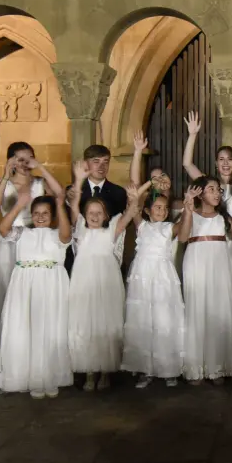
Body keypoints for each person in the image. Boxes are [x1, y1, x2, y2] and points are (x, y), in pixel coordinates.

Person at [0, 168, 73, 399]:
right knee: (26, 326)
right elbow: (2, 230)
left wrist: (60, 205)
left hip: (50, 284)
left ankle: (49, 376)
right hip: (25, 285)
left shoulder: (56, 236)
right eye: (36, 212)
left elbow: (67, 235)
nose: (40, 217)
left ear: (51, 216)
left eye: (45, 213)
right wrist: (19, 205)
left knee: (49, 328)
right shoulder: (22, 233)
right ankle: (27, 376)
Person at [67, 161, 139, 392]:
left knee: (106, 322)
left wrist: (134, 198)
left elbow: (129, 214)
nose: (94, 216)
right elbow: (73, 206)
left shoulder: (112, 230)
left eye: (99, 213)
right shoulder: (80, 229)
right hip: (84, 281)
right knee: (86, 322)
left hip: (107, 281)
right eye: (91, 213)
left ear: (106, 215)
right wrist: (78, 180)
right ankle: (89, 371)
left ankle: (106, 371)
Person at [178, 176, 232, 385]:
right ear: (199, 193)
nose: (217, 193)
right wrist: (188, 211)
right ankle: (196, 366)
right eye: (211, 189)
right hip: (197, 261)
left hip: (219, 264)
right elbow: (182, 238)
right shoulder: (191, 213)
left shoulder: (223, 217)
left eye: (218, 189)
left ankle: (218, 366)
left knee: (218, 310)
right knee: (198, 309)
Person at [121, 181, 186, 388]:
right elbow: (132, 207)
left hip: (162, 275)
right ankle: (145, 368)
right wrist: (140, 191)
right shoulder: (142, 225)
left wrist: (189, 208)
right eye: (158, 207)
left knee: (163, 318)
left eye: (165, 208)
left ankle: (168, 368)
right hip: (142, 275)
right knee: (143, 320)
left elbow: (183, 231)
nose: (163, 211)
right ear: (148, 210)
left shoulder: (168, 228)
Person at [183, 112, 232, 298]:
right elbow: (187, 164)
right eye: (221, 159)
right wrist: (192, 135)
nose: (226, 163)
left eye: (230, 159)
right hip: (215, 241)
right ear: (216, 163)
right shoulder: (209, 185)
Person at [0, 141, 47, 322]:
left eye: (29, 158)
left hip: (34, 239)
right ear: (11, 162)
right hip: (9, 241)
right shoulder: (1, 184)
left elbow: (59, 197)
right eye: (20, 159)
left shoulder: (39, 183)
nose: (25, 163)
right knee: (6, 284)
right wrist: (5, 176)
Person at [65, 144, 128, 276]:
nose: (102, 166)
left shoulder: (118, 192)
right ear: (86, 163)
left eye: (106, 162)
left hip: (107, 258)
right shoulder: (73, 190)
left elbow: (120, 226)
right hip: (79, 258)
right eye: (96, 161)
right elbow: (70, 223)